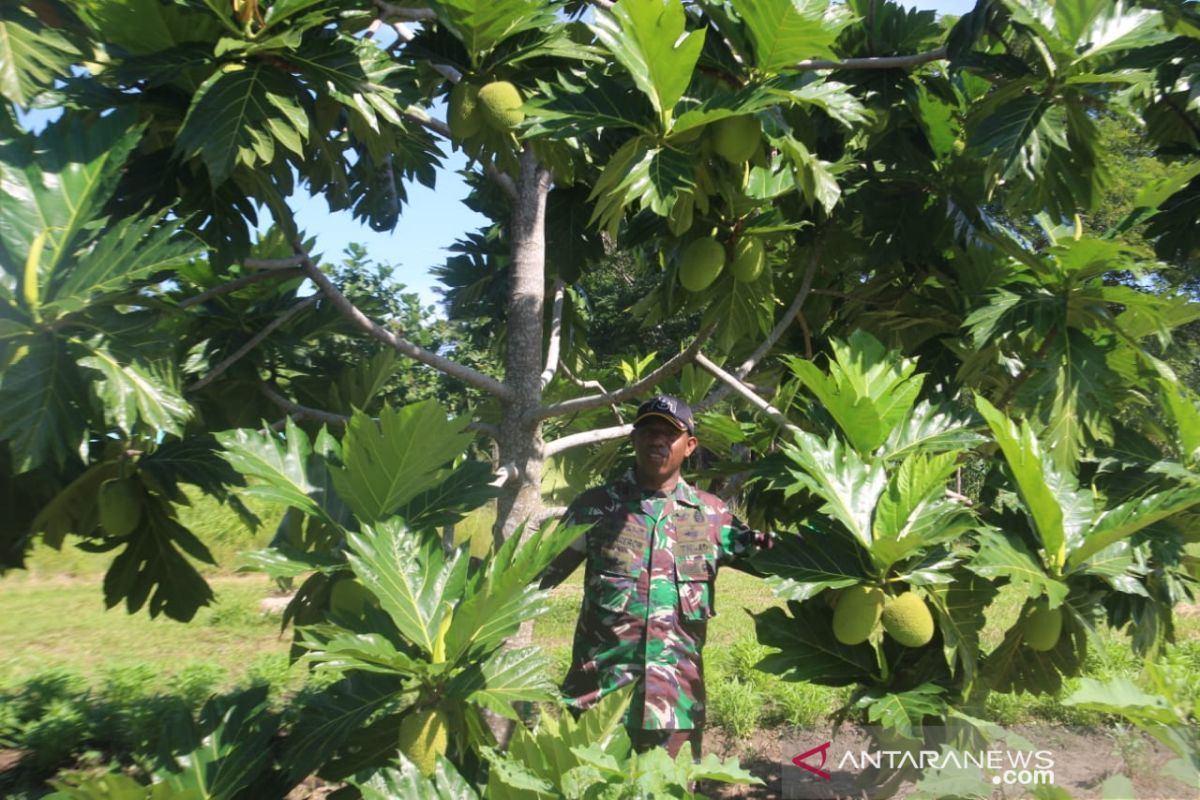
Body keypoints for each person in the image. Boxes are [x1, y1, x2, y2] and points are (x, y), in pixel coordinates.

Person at [539, 394, 775, 759]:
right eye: (649, 431)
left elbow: (781, 563)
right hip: (597, 702)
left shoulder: (712, 516)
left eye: (670, 433)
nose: (658, 440)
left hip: (675, 705)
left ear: (690, 445)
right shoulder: (597, 508)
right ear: (634, 439)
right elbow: (535, 574)